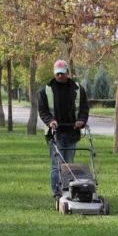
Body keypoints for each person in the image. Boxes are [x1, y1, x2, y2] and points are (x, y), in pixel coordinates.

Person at [38, 59, 89, 201]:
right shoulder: (46, 90)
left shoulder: (78, 89)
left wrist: (81, 121)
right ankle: (57, 193)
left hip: (72, 132)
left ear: (68, 72)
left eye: (62, 73)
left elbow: (84, 108)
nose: (60, 76)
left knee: (69, 163)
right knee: (56, 165)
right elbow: (43, 111)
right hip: (55, 133)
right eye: (57, 73)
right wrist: (50, 121)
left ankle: (68, 190)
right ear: (54, 73)